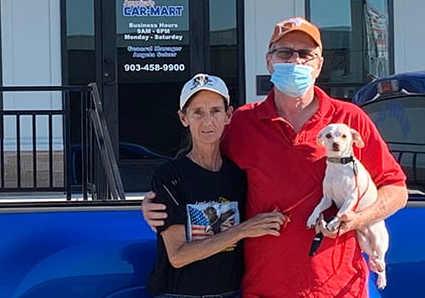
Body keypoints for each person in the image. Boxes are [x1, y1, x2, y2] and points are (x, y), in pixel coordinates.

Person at [143, 17, 408, 297]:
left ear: (319, 64)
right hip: (263, 288)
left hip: (337, 288)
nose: (295, 61)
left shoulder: (348, 120)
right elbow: (200, 170)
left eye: (306, 54)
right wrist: (158, 202)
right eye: (285, 52)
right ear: (269, 62)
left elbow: (396, 189)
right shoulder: (243, 123)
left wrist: (357, 219)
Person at [146, 73, 287, 298]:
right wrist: (243, 230)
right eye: (198, 113)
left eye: (215, 111)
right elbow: (178, 255)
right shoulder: (170, 176)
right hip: (179, 293)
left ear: (228, 115)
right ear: (184, 118)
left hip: (233, 291)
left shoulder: (239, 174)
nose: (207, 121)